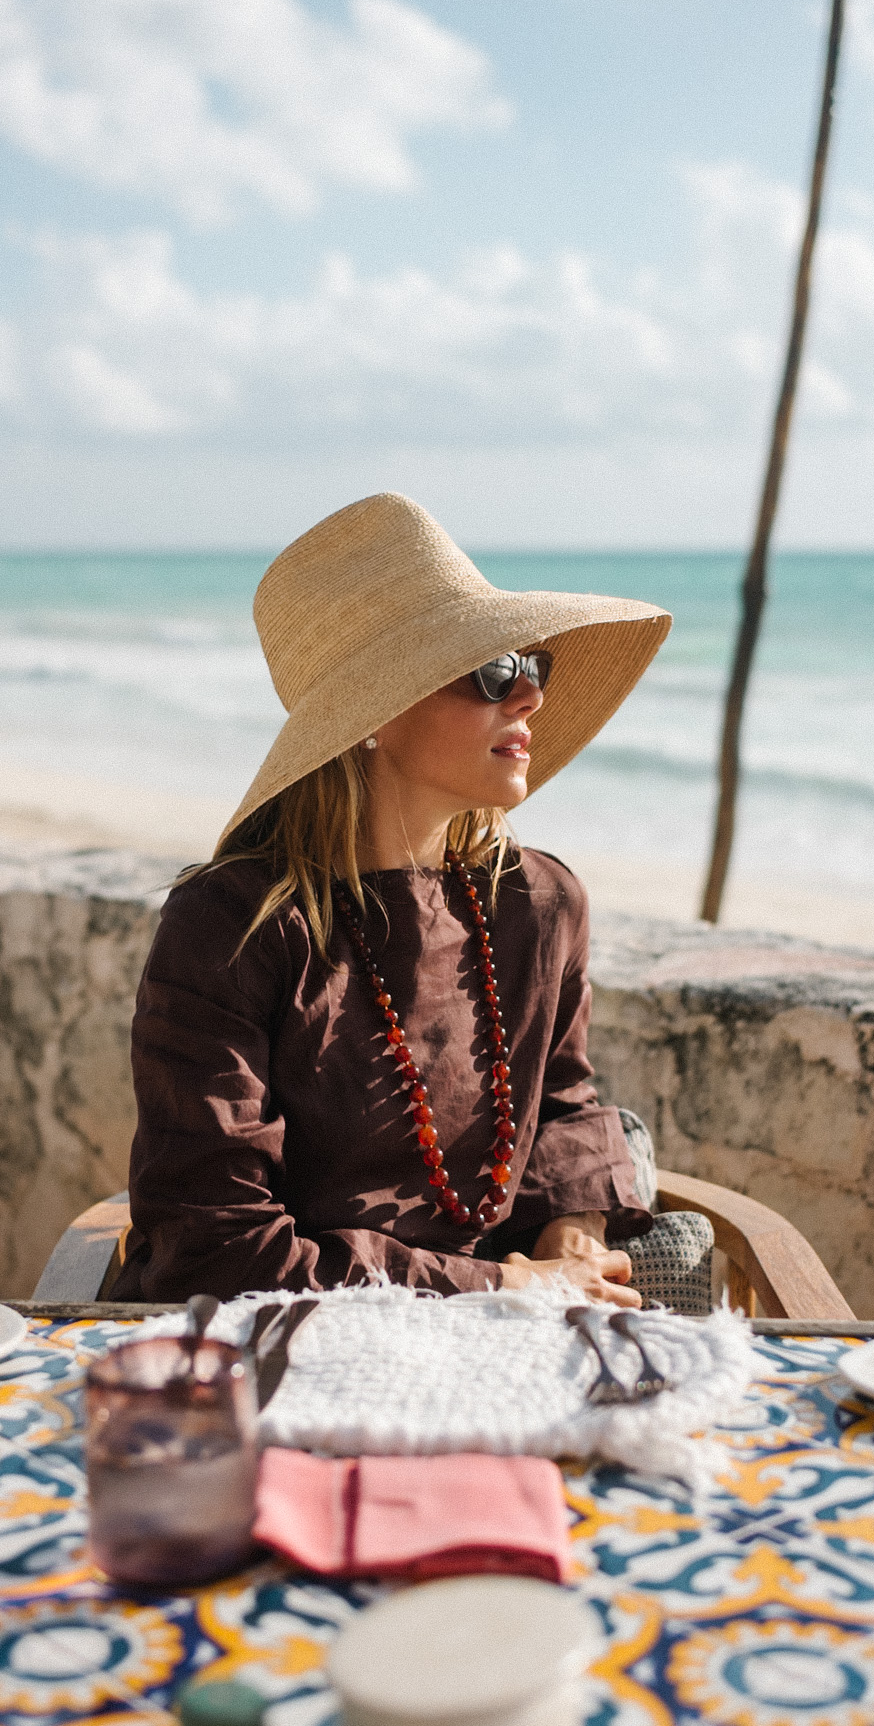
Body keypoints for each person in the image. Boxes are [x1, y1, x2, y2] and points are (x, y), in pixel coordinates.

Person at [114, 493, 672, 1309]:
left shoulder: (541, 905)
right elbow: (216, 1246)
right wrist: (504, 1287)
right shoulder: (236, 926)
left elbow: (560, 1103)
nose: (529, 699)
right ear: (376, 714)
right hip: (277, 1357)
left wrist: (571, 1234)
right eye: (493, 672)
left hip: (500, 1347)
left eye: (533, 668)